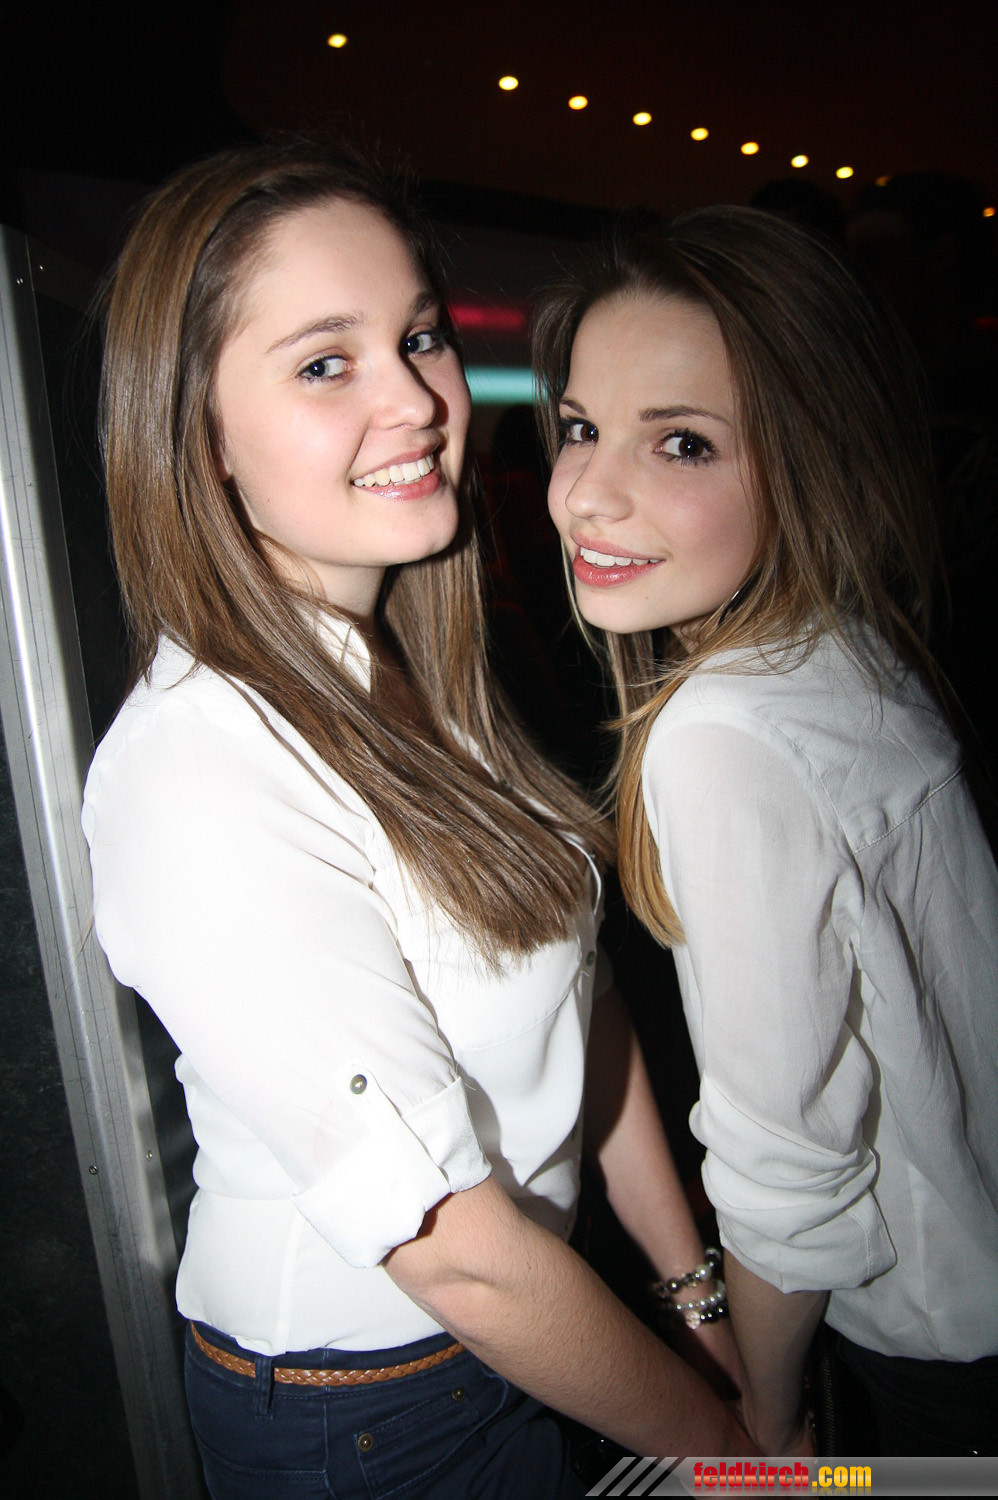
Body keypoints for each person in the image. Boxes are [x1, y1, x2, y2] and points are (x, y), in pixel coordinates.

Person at [82, 141, 748, 1500]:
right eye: (326, 363)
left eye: (421, 337)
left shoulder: (410, 676)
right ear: (198, 435)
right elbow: (451, 1250)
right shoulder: (195, 768)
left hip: (532, 1330)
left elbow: (577, 997)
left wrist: (693, 1293)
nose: (417, 401)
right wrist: (739, 1461)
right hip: (368, 1416)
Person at [534, 206, 998, 1457]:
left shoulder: (722, 731)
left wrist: (770, 1421)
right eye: (578, 427)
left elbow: (788, 1170)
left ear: (808, 460)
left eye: (680, 442)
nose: (586, 494)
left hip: (923, 1362)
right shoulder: (847, 650)